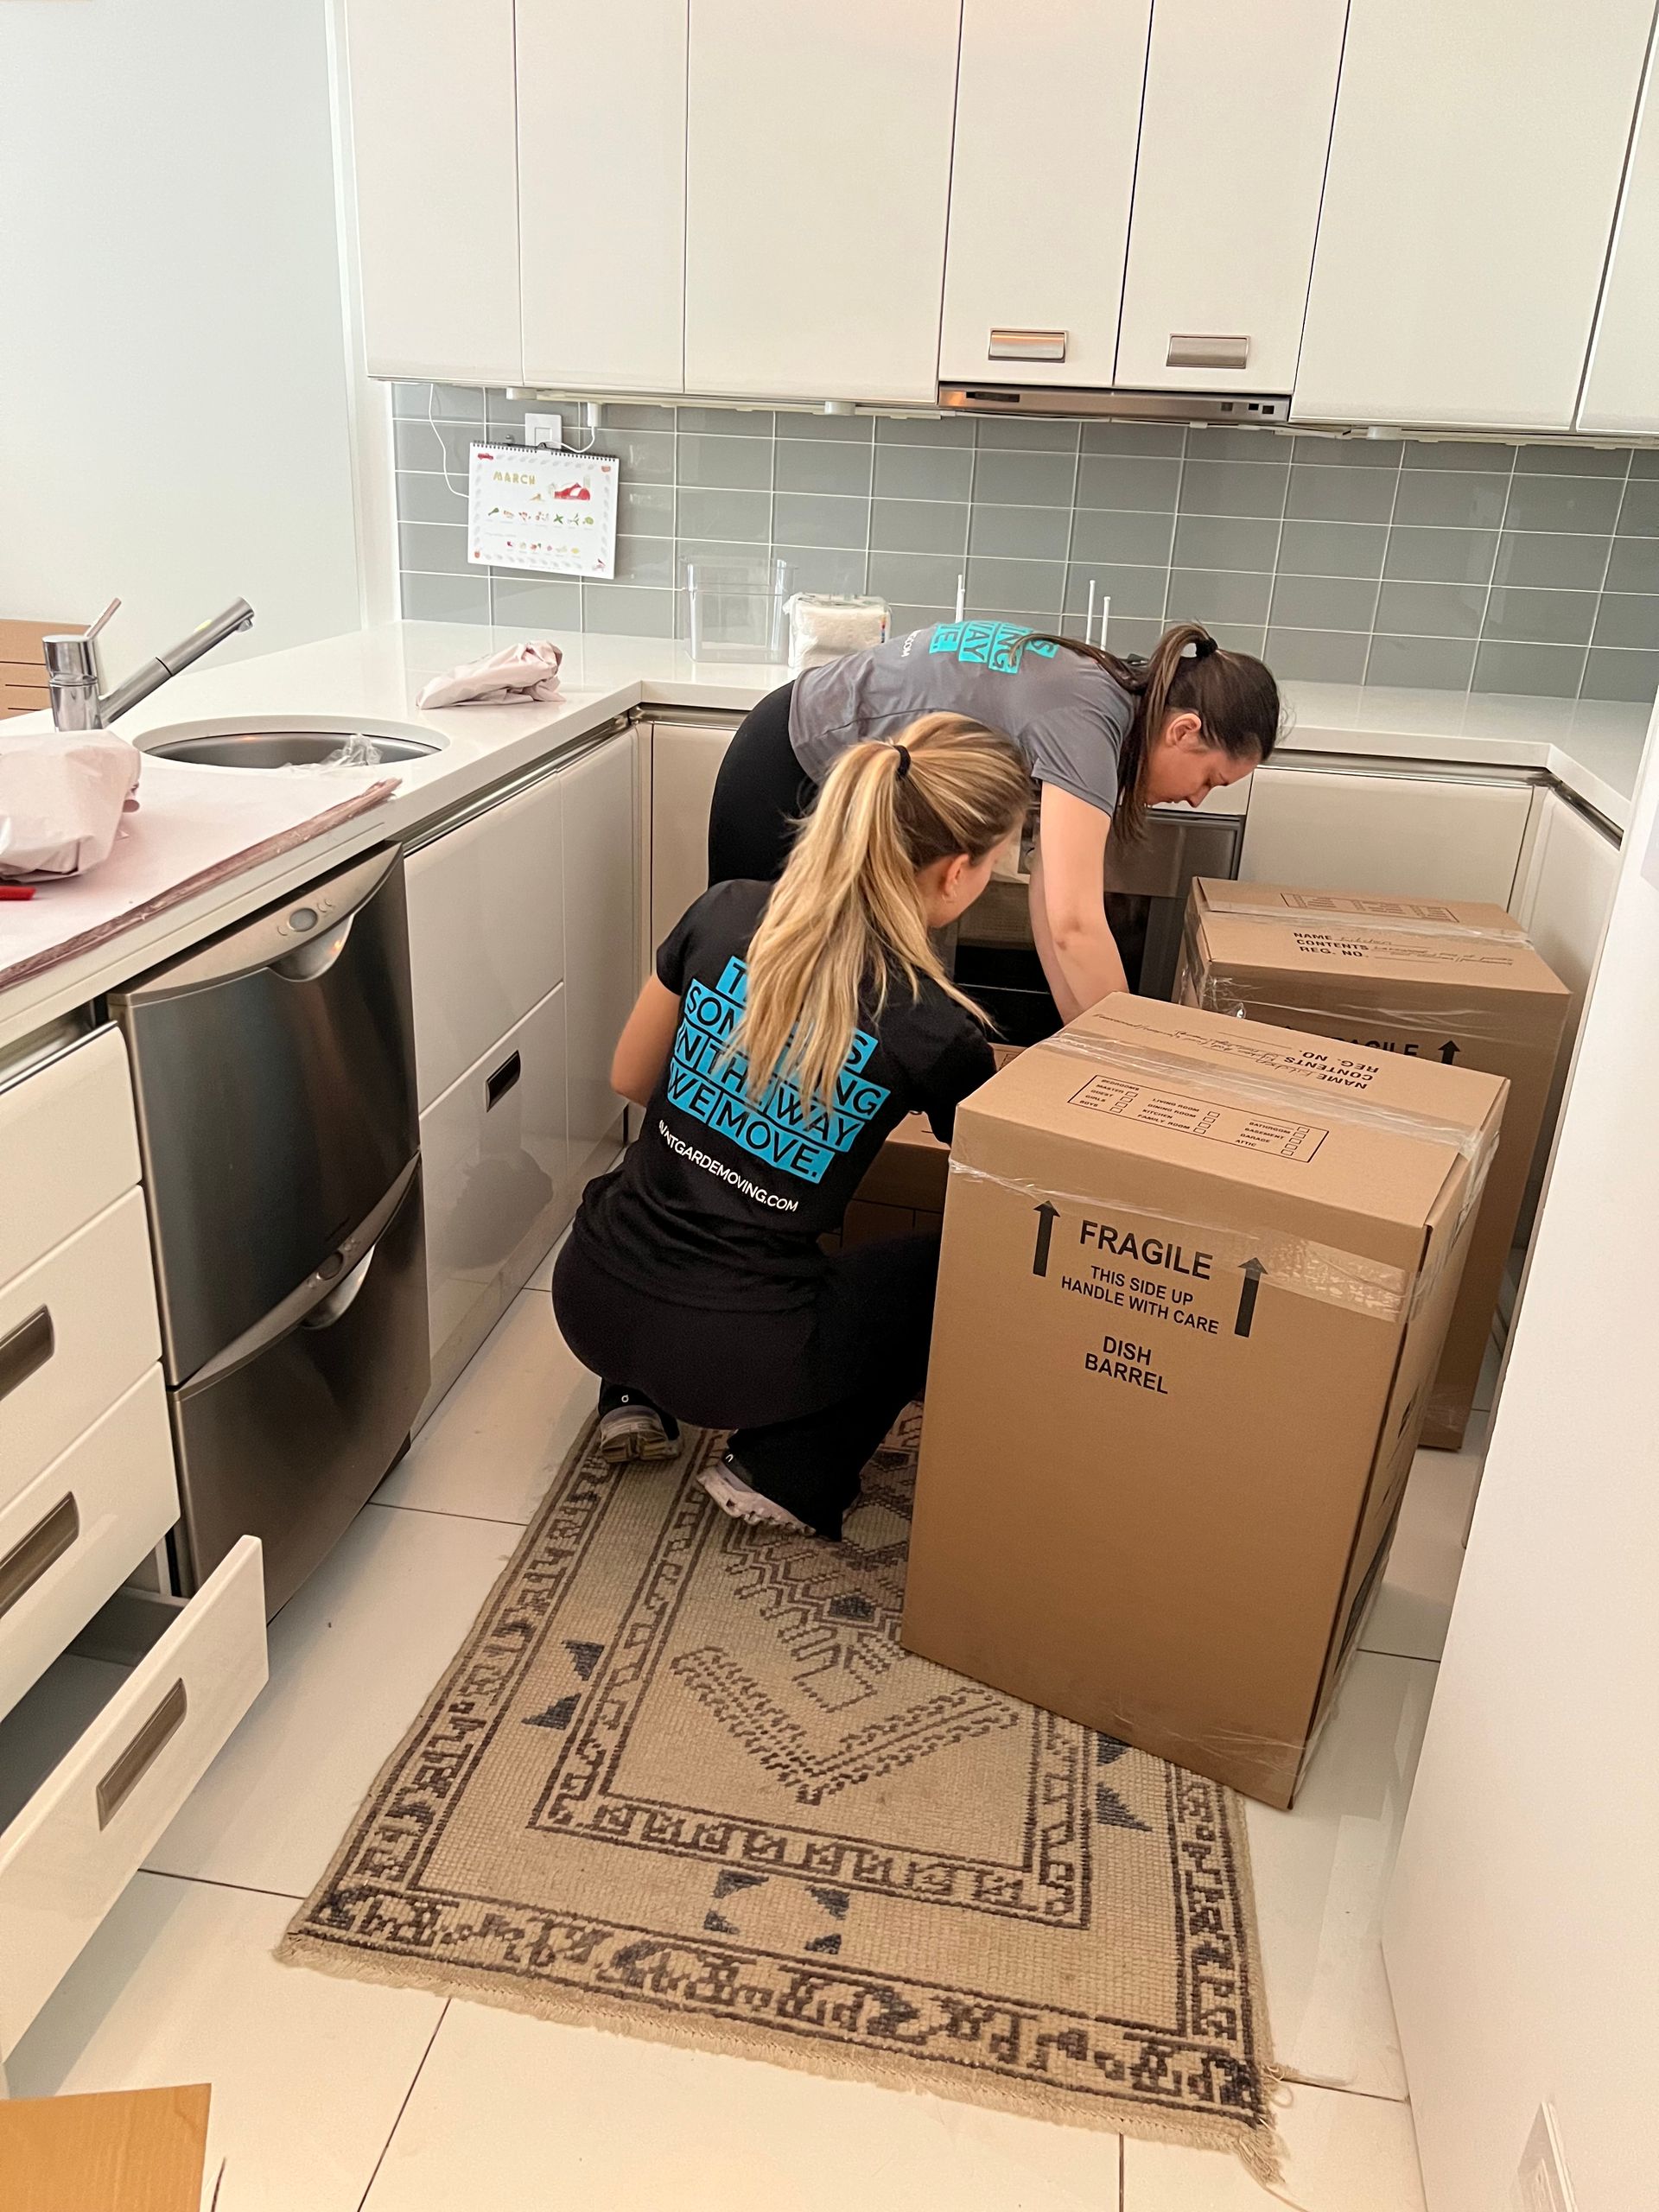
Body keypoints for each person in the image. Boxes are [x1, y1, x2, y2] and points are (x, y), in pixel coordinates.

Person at [552, 712, 1031, 1540]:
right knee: (946, 1269)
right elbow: (1003, 1187)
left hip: (587, 1294)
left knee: (649, 1186)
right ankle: (785, 1472)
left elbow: (631, 1079)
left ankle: (631, 1396)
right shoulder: (931, 1025)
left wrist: (733, 1109)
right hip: (735, 1356)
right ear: (956, 874)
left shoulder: (725, 909)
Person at [706, 618, 1281, 1020]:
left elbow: (1050, 901)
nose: (1199, 798)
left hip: (808, 754)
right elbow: (1073, 924)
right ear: (1183, 731)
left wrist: (1086, 1042)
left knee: (810, 996)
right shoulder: (1087, 720)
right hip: (788, 768)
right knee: (745, 991)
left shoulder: (1106, 696)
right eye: (1210, 779)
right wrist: (1130, 1065)